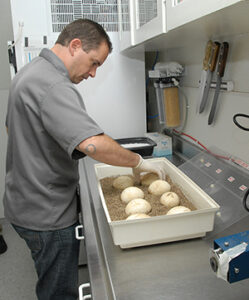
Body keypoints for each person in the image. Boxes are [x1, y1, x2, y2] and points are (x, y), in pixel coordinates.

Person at [3, 19, 166, 300]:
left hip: (23, 202)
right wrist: (138, 162)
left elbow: (12, 128)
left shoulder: (28, 73)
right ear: (75, 46)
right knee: (58, 293)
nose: (92, 73)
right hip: (47, 213)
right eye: (94, 63)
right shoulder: (53, 85)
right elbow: (92, 144)